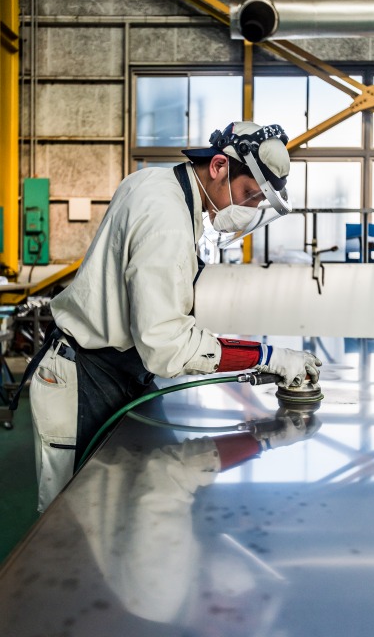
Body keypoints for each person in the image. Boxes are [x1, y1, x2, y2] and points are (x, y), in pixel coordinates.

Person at [23, 120, 322, 511]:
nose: (249, 209)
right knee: (68, 522)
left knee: (127, 502)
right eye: (248, 194)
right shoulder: (165, 215)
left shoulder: (161, 188)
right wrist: (270, 359)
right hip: (82, 377)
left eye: (257, 203)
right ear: (218, 167)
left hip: (123, 369)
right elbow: (166, 345)